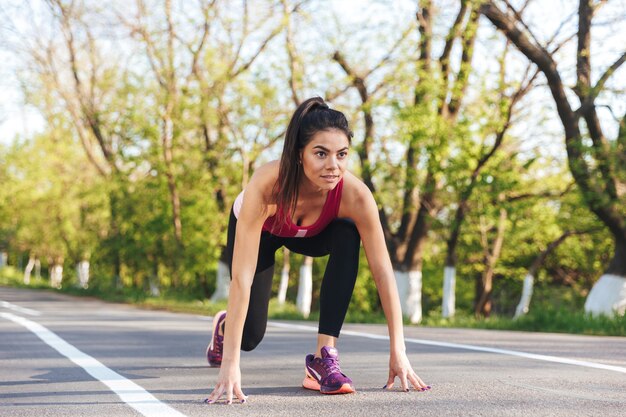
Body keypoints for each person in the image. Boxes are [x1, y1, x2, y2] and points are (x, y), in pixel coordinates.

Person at [205, 97, 430, 404]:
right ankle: (225, 324)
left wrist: (398, 351)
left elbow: (382, 271)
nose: (333, 166)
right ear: (300, 155)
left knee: (347, 234)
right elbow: (241, 279)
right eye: (321, 154)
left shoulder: (356, 196)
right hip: (264, 232)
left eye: (342, 155)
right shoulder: (267, 185)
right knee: (250, 337)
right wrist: (230, 367)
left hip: (312, 233)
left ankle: (323, 357)